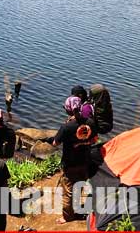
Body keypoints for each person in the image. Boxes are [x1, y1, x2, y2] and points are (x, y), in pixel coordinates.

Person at [50, 96, 96, 224]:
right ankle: (76, 208)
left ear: (68, 110)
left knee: (68, 191)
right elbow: (94, 139)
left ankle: (67, 216)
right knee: (79, 186)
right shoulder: (90, 123)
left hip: (70, 164)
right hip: (85, 161)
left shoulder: (67, 127)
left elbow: (55, 143)